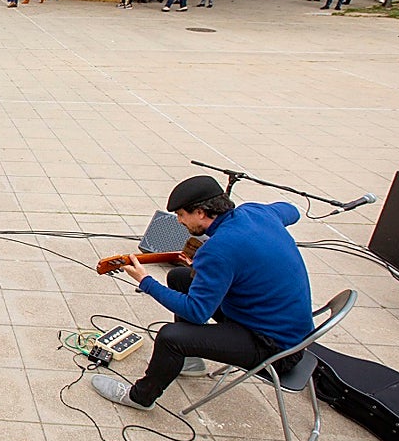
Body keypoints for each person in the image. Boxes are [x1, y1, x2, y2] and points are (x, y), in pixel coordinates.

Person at [91, 175, 313, 412]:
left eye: (181, 214)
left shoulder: (218, 249)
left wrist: (145, 281)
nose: (178, 221)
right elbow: (292, 210)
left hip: (276, 347)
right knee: (179, 278)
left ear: (200, 213)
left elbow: (196, 312)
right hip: (288, 326)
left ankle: (140, 397)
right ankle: (188, 362)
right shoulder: (256, 212)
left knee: (170, 337)